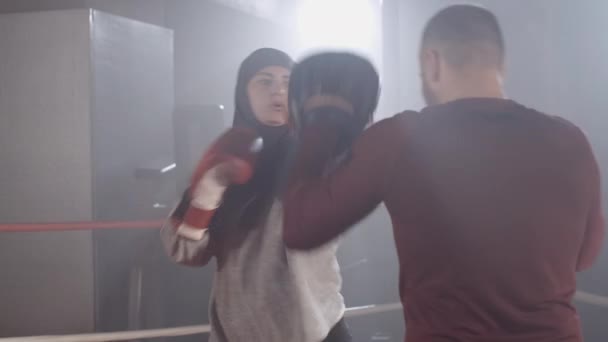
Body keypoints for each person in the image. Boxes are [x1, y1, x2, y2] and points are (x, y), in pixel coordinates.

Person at [283, 5, 605, 342]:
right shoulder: (570, 139)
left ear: (431, 62)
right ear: (501, 65)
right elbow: (586, 256)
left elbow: (300, 229)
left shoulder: (401, 138)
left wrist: (321, 123)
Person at [162, 48, 350, 342]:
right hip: (246, 328)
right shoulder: (228, 152)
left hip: (319, 323)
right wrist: (208, 192)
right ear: (243, 93)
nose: (278, 89)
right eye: (264, 81)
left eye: (288, 81)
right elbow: (184, 251)